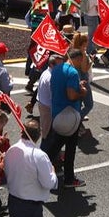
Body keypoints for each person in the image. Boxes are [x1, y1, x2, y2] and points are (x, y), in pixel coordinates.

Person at [44, 48, 88, 186]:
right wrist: (82, 92)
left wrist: (77, 86)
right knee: (69, 149)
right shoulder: (73, 72)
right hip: (69, 117)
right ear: (78, 58)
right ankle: (69, 179)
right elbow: (71, 95)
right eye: (82, 60)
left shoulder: (56, 69)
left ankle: (40, 170)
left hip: (57, 113)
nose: (82, 63)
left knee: (55, 146)